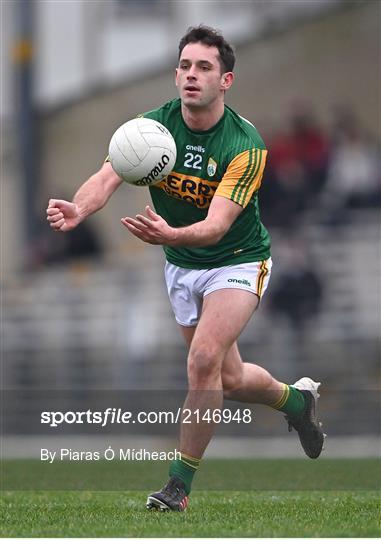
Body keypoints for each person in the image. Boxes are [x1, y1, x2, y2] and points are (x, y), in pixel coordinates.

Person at [46, 25, 325, 512]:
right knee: (230, 380)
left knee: (201, 361)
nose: (191, 75)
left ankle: (177, 488)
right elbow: (108, 174)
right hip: (181, 266)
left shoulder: (245, 145)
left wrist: (169, 235)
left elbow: (217, 226)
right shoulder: (150, 128)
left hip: (237, 262)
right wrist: (79, 208)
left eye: (204, 67)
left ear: (226, 81)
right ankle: (297, 403)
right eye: (185, 66)